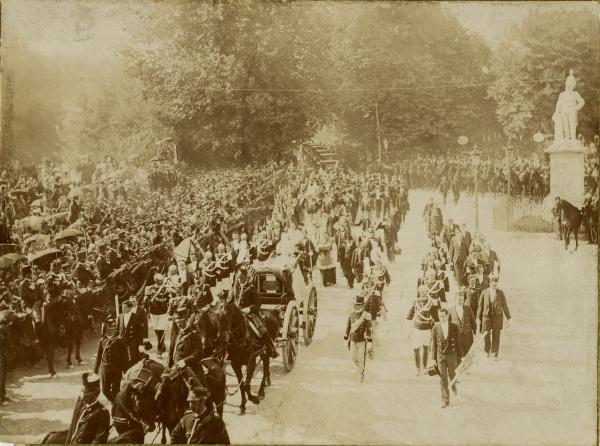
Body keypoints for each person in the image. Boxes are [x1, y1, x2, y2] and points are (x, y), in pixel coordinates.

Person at [430, 308, 462, 408]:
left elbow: (458, 342)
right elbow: (434, 343)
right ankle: (445, 400)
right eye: (439, 316)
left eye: (443, 316)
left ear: (447, 316)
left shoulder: (454, 327)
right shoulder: (435, 328)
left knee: (452, 374)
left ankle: (454, 388)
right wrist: (433, 358)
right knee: (443, 377)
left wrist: (462, 356)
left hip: (452, 354)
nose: (441, 318)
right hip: (440, 356)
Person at [65, 372, 110, 444]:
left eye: (88, 394)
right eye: (84, 393)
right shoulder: (80, 403)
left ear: (97, 393)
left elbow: (99, 439)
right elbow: (72, 427)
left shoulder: (102, 413)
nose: (84, 397)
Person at [93, 315, 128, 403]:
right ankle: (114, 402)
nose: (113, 330)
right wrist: (95, 371)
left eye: (114, 327)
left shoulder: (119, 340)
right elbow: (98, 356)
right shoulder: (102, 341)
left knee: (116, 390)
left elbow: (124, 356)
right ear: (106, 328)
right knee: (105, 391)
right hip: (105, 369)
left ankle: (114, 404)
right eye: (110, 328)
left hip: (116, 368)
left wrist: (125, 370)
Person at [477, 274, 511, 359]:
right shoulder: (484, 292)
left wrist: (508, 317)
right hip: (486, 317)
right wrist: (478, 318)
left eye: (496, 285)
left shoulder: (500, 293)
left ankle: (494, 353)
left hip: (497, 317)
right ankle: (486, 351)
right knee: (486, 334)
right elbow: (480, 307)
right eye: (493, 285)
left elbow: (504, 305)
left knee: (496, 335)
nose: (495, 286)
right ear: (489, 283)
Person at [406, 285, 437, 376]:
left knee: (426, 349)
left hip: (427, 329)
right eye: (422, 292)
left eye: (425, 292)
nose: (423, 294)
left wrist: (435, 330)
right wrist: (408, 329)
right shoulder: (415, 302)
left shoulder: (432, 302)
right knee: (416, 349)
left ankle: (424, 367)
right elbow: (409, 315)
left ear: (427, 292)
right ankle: (417, 369)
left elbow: (435, 317)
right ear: (419, 293)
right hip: (417, 329)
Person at [344, 294, 372, 383]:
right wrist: (345, 337)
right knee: (352, 357)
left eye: (359, 305)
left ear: (363, 305)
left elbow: (369, 328)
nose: (356, 306)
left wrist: (370, 339)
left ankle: (361, 373)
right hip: (352, 339)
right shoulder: (351, 314)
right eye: (355, 305)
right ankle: (359, 367)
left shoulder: (366, 315)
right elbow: (348, 326)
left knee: (361, 357)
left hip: (362, 340)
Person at [117, 298, 146, 368]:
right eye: (122, 308)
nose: (123, 309)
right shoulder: (120, 316)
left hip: (133, 340)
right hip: (123, 340)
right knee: (123, 357)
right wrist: (116, 338)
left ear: (130, 308)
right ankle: (125, 371)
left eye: (125, 308)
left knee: (133, 357)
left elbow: (140, 332)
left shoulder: (136, 317)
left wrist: (141, 344)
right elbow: (117, 329)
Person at [448, 290, 477, 359]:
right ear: (455, 299)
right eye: (459, 299)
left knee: (468, 352)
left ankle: (468, 368)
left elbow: (473, 321)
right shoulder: (450, 310)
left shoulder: (468, 309)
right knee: (458, 352)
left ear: (464, 300)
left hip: (467, 335)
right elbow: (448, 324)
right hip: (456, 335)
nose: (460, 301)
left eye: (462, 299)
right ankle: (459, 368)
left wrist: (475, 332)